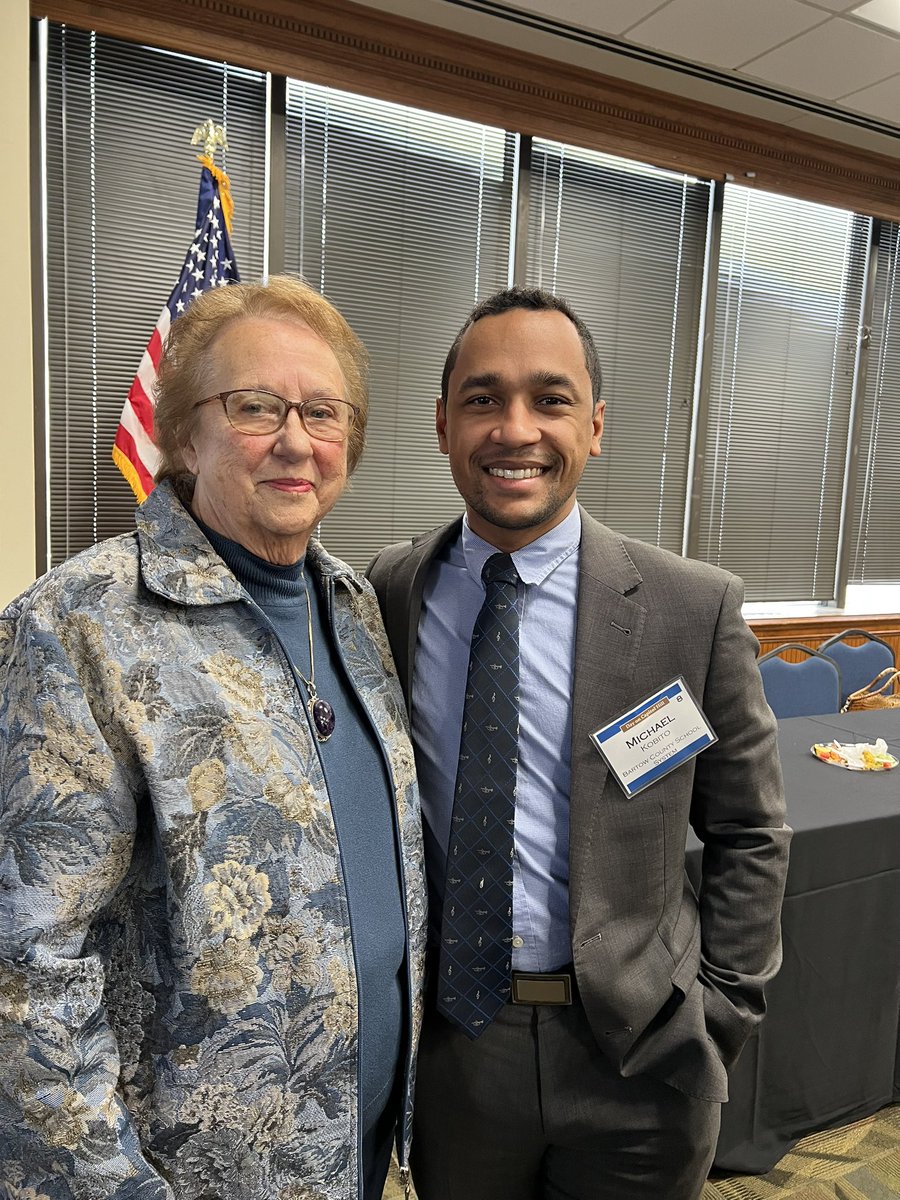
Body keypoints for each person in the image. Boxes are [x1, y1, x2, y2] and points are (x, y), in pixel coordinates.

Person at [0, 276, 426, 1199]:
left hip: (352, 1149)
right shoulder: (78, 626)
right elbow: (26, 966)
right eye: (254, 406)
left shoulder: (353, 608)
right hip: (184, 1177)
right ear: (182, 437)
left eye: (322, 411)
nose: (295, 440)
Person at [367, 286, 791, 1200]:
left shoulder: (691, 607)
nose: (514, 428)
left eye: (549, 399)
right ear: (443, 426)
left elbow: (751, 831)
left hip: (641, 1058)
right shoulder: (391, 593)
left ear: (594, 426)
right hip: (457, 1049)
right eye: (483, 399)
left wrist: (720, 1012)